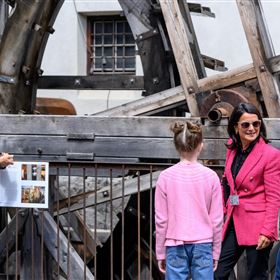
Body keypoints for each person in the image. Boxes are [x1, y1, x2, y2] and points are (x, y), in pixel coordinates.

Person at [214, 102, 280, 280]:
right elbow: (227, 181)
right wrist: (223, 209)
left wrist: (268, 230)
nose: (252, 128)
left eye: (256, 124)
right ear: (236, 127)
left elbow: (274, 197)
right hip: (234, 221)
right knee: (216, 273)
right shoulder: (232, 148)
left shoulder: (270, 155)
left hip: (258, 225)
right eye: (245, 124)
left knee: (256, 276)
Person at [155, 120, 223, 280]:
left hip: (174, 243)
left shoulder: (165, 177)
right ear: (201, 145)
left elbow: (161, 220)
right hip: (203, 243)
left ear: (176, 146)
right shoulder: (211, 177)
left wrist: (160, 252)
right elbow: (217, 220)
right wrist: (216, 252)